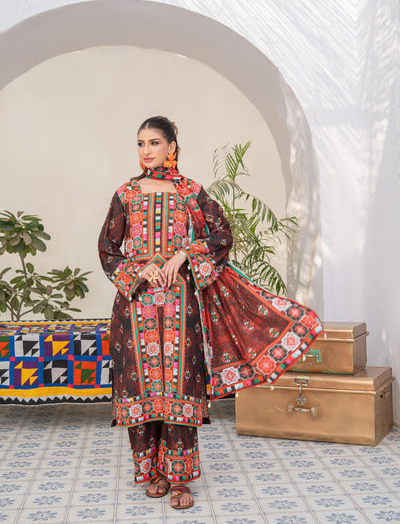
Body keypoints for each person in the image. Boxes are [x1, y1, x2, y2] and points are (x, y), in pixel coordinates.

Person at [98, 116, 323, 510]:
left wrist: (185, 253)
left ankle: (180, 478)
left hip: (181, 303)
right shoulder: (125, 194)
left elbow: (221, 236)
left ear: (171, 147)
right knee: (142, 387)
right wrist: (139, 271)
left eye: (154, 142)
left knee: (180, 386)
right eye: (140, 143)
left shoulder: (191, 192)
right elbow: (107, 249)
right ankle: (152, 473)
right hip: (136, 307)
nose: (146, 150)